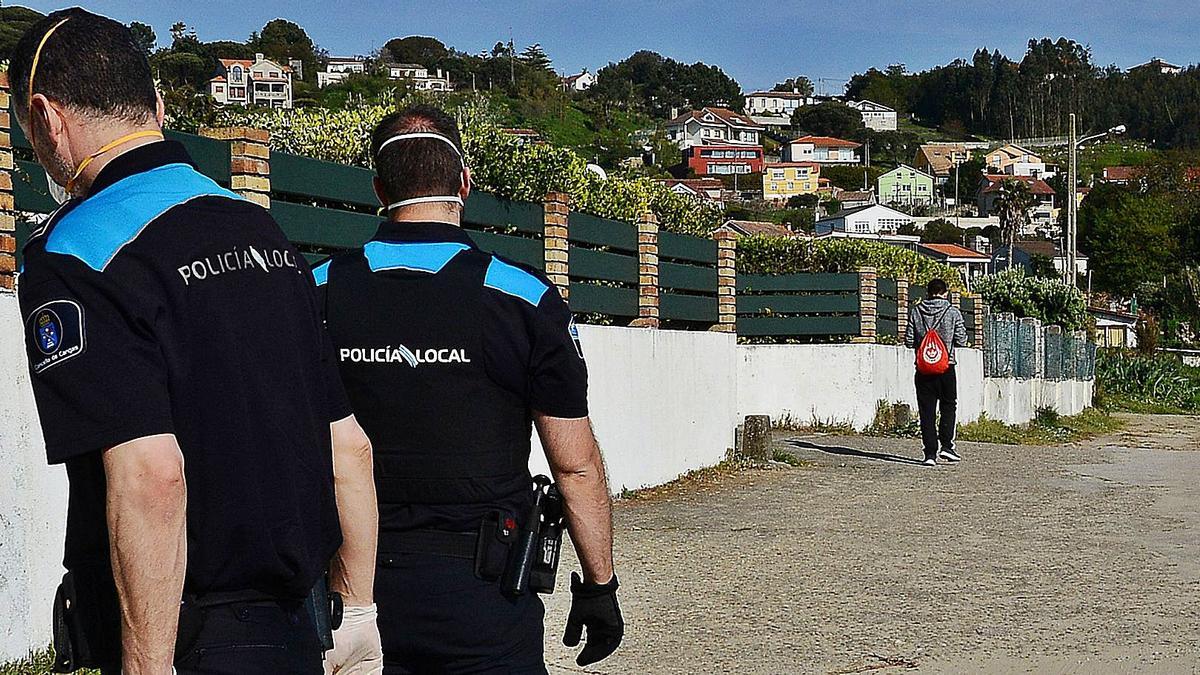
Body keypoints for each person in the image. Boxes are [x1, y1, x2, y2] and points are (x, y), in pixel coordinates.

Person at [10, 9, 380, 673]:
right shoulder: (262, 232)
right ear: (154, 105)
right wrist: (358, 612)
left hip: (192, 636)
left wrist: (149, 664)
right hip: (301, 626)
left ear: (45, 117)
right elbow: (348, 445)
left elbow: (150, 473)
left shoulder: (73, 254)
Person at [315, 104, 623, 674]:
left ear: (379, 187)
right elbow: (575, 467)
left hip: (347, 595)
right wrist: (599, 586)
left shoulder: (316, 291)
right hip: (485, 602)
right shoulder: (523, 299)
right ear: (464, 182)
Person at [905, 278, 969, 466]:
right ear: (945, 293)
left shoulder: (916, 311)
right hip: (946, 367)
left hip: (923, 369)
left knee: (927, 411)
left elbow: (909, 340)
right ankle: (947, 447)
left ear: (928, 292)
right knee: (948, 406)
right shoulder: (952, 312)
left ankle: (929, 454)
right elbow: (962, 339)